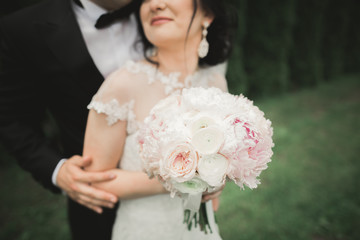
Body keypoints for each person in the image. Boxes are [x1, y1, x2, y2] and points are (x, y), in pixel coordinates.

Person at [83, 0, 235, 239]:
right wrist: (184, 178)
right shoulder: (122, 86)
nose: (155, 4)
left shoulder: (216, 82)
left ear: (208, 13)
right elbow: (93, 182)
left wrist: (215, 179)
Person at [0, 0, 144, 239]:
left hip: (178, 190)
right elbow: (11, 118)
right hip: (96, 201)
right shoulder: (22, 29)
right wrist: (57, 169)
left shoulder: (166, 6)